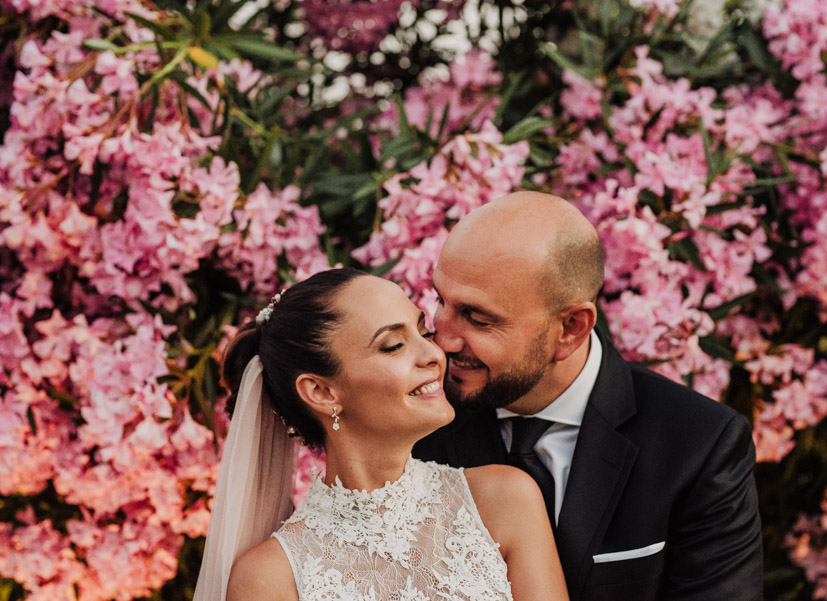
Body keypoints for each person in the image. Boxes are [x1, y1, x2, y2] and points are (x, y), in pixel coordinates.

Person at [413, 191, 764, 600]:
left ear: (571, 328)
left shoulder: (699, 445)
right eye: (441, 300)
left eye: (478, 318)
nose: (443, 338)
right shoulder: (415, 425)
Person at [194, 268, 568, 601]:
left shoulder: (504, 501)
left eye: (423, 331)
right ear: (322, 393)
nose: (434, 354)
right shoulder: (271, 578)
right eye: (393, 345)